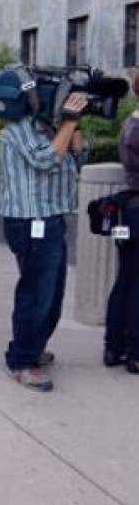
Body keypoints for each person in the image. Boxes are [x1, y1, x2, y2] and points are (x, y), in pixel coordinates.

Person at [0, 92, 89, 392]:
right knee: (37, 292)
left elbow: (79, 158)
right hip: (29, 220)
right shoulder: (20, 127)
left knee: (51, 292)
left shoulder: (52, 126)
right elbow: (45, 159)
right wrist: (68, 123)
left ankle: (32, 346)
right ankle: (22, 361)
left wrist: (74, 127)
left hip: (51, 216)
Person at [104, 93, 139, 375]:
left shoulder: (130, 123)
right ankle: (135, 352)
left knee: (126, 279)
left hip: (129, 209)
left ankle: (114, 347)